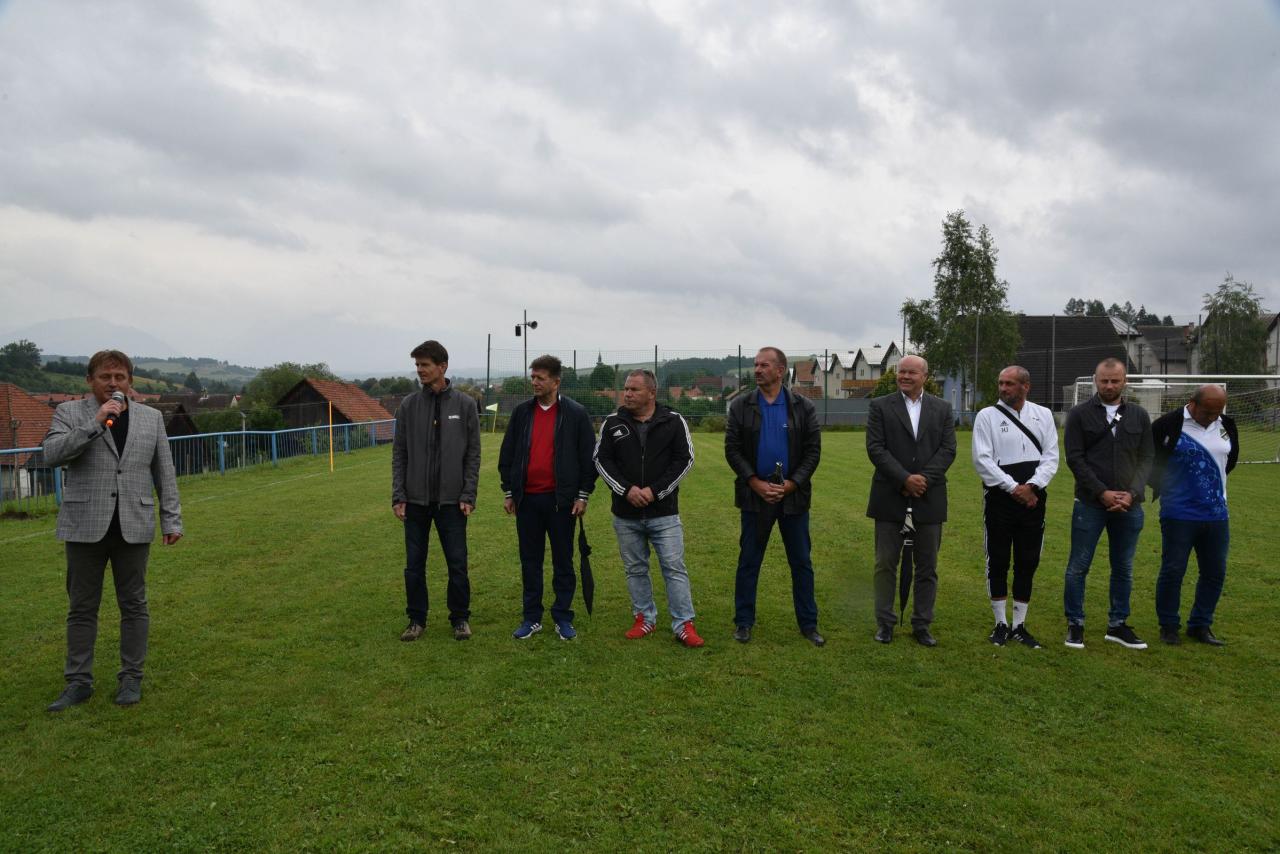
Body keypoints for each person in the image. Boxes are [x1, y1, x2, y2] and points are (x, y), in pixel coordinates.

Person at [42, 350, 183, 711]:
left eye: (120, 377)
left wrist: (171, 519)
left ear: (130, 381)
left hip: (134, 524)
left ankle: (131, 678)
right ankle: (78, 682)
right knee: (81, 607)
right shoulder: (69, 413)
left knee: (134, 605)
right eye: (105, 377)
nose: (113, 383)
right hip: (84, 525)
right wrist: (95, 423)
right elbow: (52, 454)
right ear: (90, 380)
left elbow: (165, 473)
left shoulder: (152, 418)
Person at [594, 370, 703, 647]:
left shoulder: (674, 421)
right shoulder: (612, 422)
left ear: (651, 393)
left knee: (674, 568)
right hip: (625, 514)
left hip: (664, 514)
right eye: (626, 389)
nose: (627, 394)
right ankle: (644, 618)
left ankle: (683, 624)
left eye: (634, 389)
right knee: (635, 569)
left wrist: (655, 491)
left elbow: (684, 460)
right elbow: (602, 460)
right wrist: (626, 490)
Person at [725, 347, 825, 646]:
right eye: (755, 365)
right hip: (755, 496)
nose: (757, 370)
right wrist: (754, 482)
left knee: (801, 562)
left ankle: (809, 624)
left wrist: (793, 484)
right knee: (749, 561)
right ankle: (743, 622)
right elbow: (732, 449)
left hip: (792, 497)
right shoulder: (741, 405)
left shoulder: (803, 407)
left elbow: (812, 452)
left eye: (764, 365)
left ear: (780, 371)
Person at [498, 355, 597, 641]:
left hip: (561, 503)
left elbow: (588, 459)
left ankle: (563, 617)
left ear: (556, 381)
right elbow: (508, 454)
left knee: (563, 562)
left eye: (540, 378)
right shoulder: (522, 413)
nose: (534, 382)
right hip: (527, 501)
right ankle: (531, 618)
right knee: (530, 562)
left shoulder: (576, 414)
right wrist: (509, 491)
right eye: (532, 377)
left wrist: (582, 495)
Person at [391, 340, 481, 642]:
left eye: (425, 365)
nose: (420, 370)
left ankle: (460, 619)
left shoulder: (465, 405)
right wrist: (399, 495)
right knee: (414, 566)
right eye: (417, 365)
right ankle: (416, 620)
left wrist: (468, 494)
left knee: (457, 563)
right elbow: (399, 453)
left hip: (452, 502)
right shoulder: (408, 405)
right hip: (415, 501)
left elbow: (473, 455)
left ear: (442, 367)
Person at [1062, 357, 1154, 650]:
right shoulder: (1079, 415)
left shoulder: (1139, 415)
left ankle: (1118, 625)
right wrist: (1102, 492)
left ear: (1125, 381)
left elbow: (1147, 458)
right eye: (1104, 381)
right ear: (1095, 381)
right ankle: (1075, 624)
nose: (1110, 386)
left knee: (1123, 568)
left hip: (1129, 506)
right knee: (1078, 566)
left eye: (1115, 381)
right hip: (1090, 503)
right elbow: (1075, 458)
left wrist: (1132, 493)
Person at [865, 354, 956, 647]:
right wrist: (904, 478)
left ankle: (922, 624)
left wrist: (922, 480)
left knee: (927, 566)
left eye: (911, 372)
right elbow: (875, 448)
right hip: (890, 495)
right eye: (901, 371)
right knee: (885, 564)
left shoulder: (942, 408)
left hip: (929, 496)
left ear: (924, 376)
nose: (904, 376)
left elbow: (948, 449)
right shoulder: (880, 406)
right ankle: (885, 623)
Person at [971, 365, 1059, 649]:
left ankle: (1020, 625)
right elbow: (982, 460)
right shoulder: (987, 416)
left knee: (1027, 560)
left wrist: (1033, 486)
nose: (1003, 388)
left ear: (1025, 386)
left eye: (1009, 383)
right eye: (1001, 383)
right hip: (1000, 498)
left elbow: (1051, 457)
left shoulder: (1043, 414)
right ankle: (1000, 623)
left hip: (1034, 499)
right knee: (997, 559)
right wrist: (1013, 488)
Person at [1152, 385, 1238, 646]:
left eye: (1217, 412)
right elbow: (1150, 460)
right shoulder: (1167, 424)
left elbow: (1230, 459)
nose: (1212, 417)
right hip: (1179, 513)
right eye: (1207, 412)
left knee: (1214, 572)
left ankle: (1200, 625)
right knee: (1173, 570)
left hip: (1217, 513)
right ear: (1193, 403)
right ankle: (1169, 626)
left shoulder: (1226, 425)